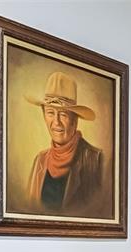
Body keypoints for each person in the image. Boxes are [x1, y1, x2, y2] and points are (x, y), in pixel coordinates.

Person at [24, 71, 108, 216]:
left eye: (63, 114)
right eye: (50, 113)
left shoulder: (95, 160)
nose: (56, 122)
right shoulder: (40, 160)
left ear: (75, 121)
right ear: (44, 116)